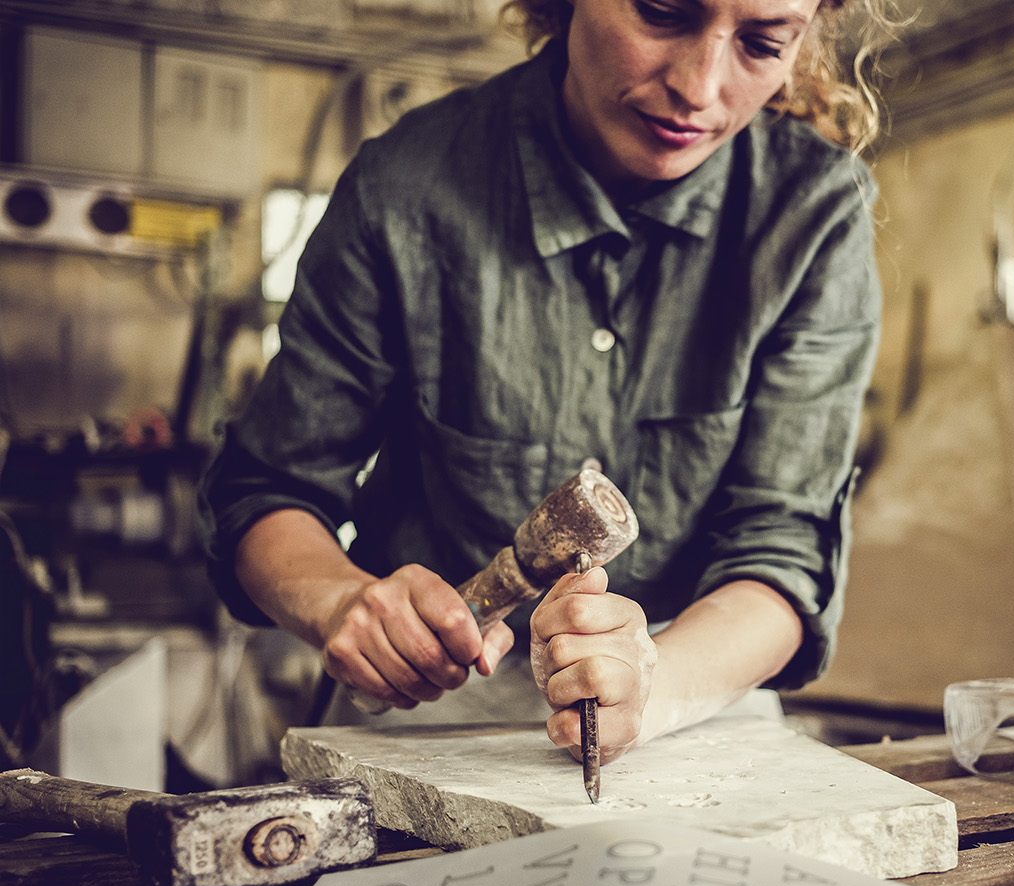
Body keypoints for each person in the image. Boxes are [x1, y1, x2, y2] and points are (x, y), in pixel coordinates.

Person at [199, 0, 886, 766]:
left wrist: (650, 683)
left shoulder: (815, 212)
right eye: (661, 12)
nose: (699, 87)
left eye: (761, 43)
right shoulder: (405, 186)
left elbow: (782, 551)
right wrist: (340, 600)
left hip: (695, 708)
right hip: (429, 728)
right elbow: (265, 488)